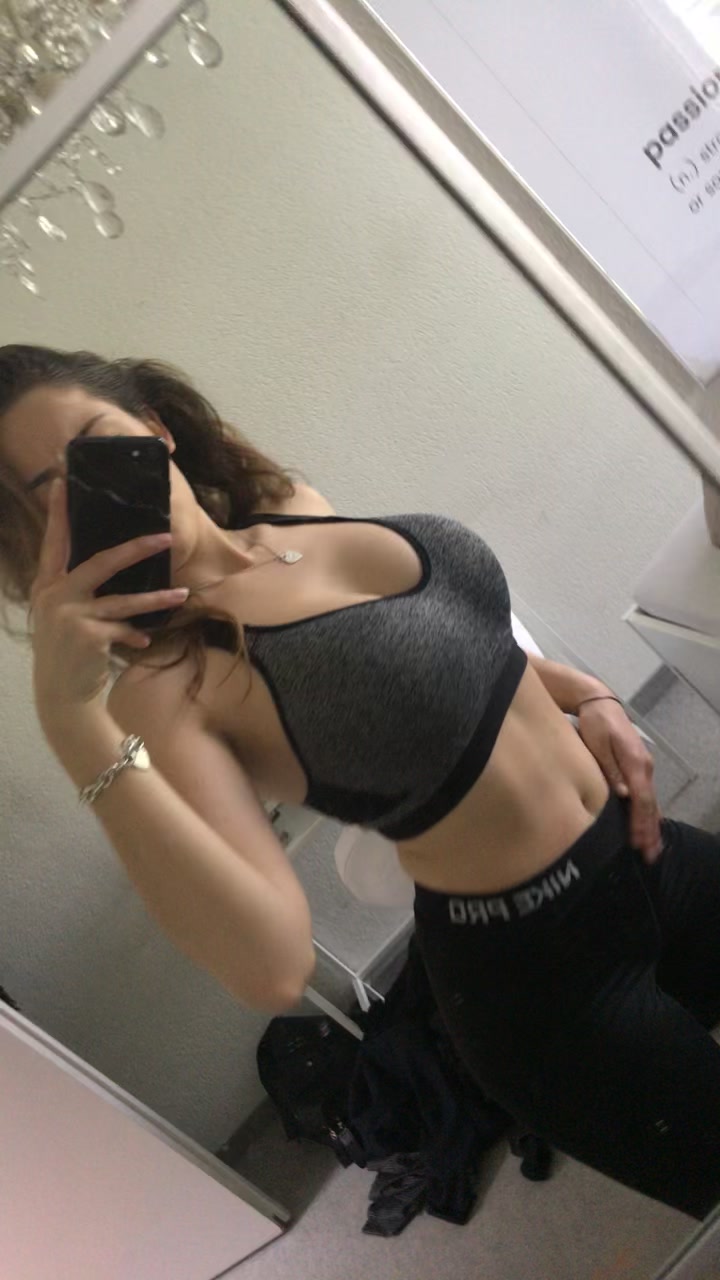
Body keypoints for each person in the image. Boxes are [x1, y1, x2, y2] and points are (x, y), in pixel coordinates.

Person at [2, 343, 720, 1221]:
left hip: (646, 852)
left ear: (154, 429)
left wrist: (589, 693)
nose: (89, 492)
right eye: (47, 493)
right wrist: (74, 725)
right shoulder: (165, 690)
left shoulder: (288, 512)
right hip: (546, 986)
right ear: (32, 548)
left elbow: (447, 648)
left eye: (96, 446)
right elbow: (273, 968)